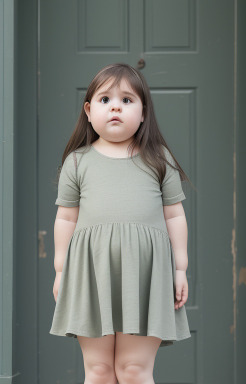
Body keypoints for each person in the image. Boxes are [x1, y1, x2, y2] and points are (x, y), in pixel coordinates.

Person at [49, 63, 192, 384]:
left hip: (146, 277)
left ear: (143, 113)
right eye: (105, 100)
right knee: (99, 371)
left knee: (133, 371)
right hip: (91, 275)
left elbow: (174, 214)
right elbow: (66, 217)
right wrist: (61, 271)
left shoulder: (159, 159)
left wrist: (180, 269)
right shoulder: (77, 161)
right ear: (88, 110)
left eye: (127, 100)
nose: (115, 106)